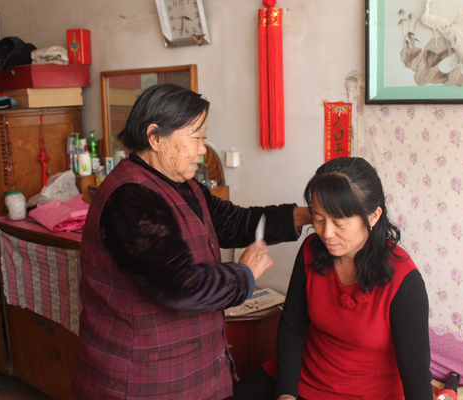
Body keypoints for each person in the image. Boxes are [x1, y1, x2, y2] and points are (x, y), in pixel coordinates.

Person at [71, 83, 312, 400]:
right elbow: (179, 286)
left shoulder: (181, 183)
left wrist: (306, 215)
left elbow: (236, 222)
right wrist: (245, 274)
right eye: (196, 138)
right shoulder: (131, 197)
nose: (202, 149)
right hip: (143, 378)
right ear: (155, 138)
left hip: (190, 368)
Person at [231, 157, 433, 400]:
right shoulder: (311, 250)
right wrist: (286, 393)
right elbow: (293, 325)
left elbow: (416, 373)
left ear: (373, 216)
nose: (326, 233)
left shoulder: (404, 281)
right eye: (319, 219)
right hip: (302, 377)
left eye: (339, 222)